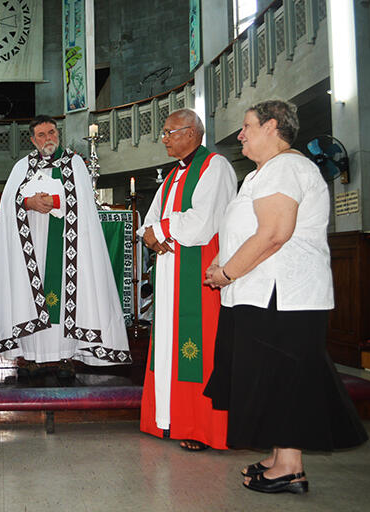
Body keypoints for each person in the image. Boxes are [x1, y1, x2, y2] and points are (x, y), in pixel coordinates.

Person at [203, 100, 368, 494]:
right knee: (274, 376)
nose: (240, 135)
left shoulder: (287, 167)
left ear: (272, 126)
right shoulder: (268, 172)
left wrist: (226, 272)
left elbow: (275, 233)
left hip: (283, 294)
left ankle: (291, 467)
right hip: (265, 293)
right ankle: (281, 457)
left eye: (246, 127)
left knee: (285, 377)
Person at [0, 115, 130, 380]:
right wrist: (28, 204)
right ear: (32, 140)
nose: (47, 139)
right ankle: (30, 357)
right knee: (30, 296)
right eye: (40, 135)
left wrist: (54, 200)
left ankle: (67, 357)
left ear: (58, 134)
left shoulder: (75, 163)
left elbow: (84, 201)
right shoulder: (22, 166)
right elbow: (7, 205)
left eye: (51, 132)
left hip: (68, 245)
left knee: (67, 297)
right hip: (32, 248)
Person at [137, 108, 237, 451]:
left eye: (169, 132)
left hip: (199, 274)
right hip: (169, 271)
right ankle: (167, 418)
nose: (164, 138)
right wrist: (150, 235)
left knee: (198, 348)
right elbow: (149, 220)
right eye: (164, 132)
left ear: (192, 133)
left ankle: (199, 425)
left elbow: (202, 223)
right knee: (167, 343)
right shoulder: (171, 176)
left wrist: (159, 230)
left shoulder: (215, 166)